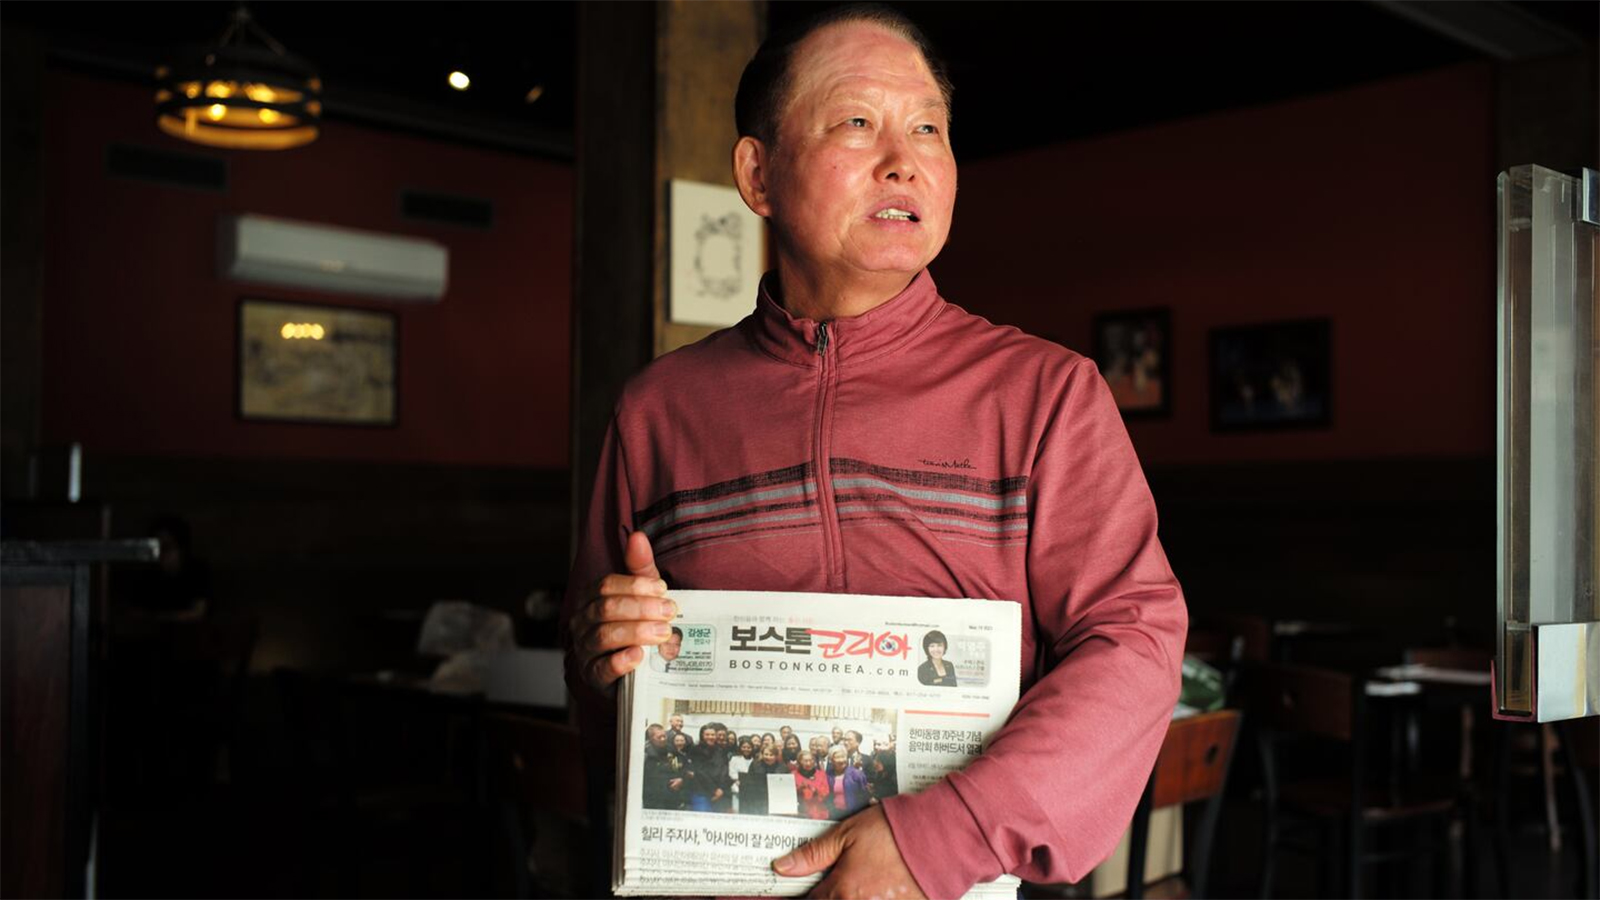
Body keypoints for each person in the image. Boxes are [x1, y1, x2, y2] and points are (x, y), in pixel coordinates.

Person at [561, 5, 1186, 897]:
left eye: (928, 126)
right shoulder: (658, 410)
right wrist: (602, 652)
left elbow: (1136, 638)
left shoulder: (1046, 394)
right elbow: (604, 699)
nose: (906, 157)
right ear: (758, 171)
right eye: (858, 121)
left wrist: (935, 839)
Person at [642, 725, 687, 810]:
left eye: (664, 736)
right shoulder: (645, 754)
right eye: (659, 737)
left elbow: (684, 767)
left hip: (672, 798)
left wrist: (682, 779)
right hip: (653, 800)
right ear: (651, 738)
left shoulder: (672, 749)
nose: (663, 739)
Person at [740, 743, 788, 816]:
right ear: (762, 754)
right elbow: (749, 782)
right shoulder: (755, 764)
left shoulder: (783, 767)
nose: (768, 757)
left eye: (771, 755)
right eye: (766, 754)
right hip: (757, 800)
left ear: (776, 756)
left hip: (775, 800)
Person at [825, 748, 871, 821]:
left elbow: (864, 796)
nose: (841, 760)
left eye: (843, 757)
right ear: (831, 760)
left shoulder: (857, 774)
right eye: (837, 757)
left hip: (853, 814)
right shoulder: (828, 775)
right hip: (834, 814)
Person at [793, 750, 832, 820]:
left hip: (819, 813)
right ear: (799, 762)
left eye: (811, 760)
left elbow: (826, 792)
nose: (808, 763)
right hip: (801, 813)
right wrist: (800, 789)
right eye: (805, 761)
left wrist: (814, 790)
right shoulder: (793, 775)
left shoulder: (821, 774)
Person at [728, 736, 756, 813]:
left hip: (751, 790)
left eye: (748, 747)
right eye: (744, 747)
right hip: (738, 788)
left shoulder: (755, 760)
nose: (746, 749)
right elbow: (731, 772)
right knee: (737, 810)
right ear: (740, 747)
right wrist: (737, 780)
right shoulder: (734, 759)